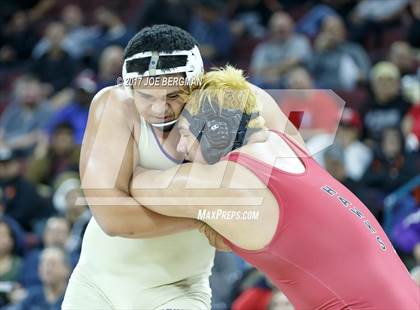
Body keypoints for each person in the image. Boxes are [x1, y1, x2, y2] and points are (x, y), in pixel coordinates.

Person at [130, 66, 420, 309]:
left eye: (183, 134)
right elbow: (250, 94)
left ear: (215, 132)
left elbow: (138, 184)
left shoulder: (232, 183)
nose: (180, 147)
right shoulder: (287, 144)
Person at [63, 24, 303, 309]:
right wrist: (205, 218)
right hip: (96, 284)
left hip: (178, 290)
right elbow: (112, 217)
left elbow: (298, 173)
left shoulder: (238, 102)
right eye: (146, 96)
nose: (158, 108)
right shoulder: (114, 104)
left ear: (198, 83)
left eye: (174, 95)